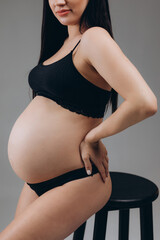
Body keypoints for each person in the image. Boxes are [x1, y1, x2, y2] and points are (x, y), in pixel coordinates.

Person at [1, 0, 157, 239]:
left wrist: (93, 137)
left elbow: (145, 102)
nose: (60, 1)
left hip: (78, 178)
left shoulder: (94, 38)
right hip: (41, 180)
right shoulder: (64, 43)